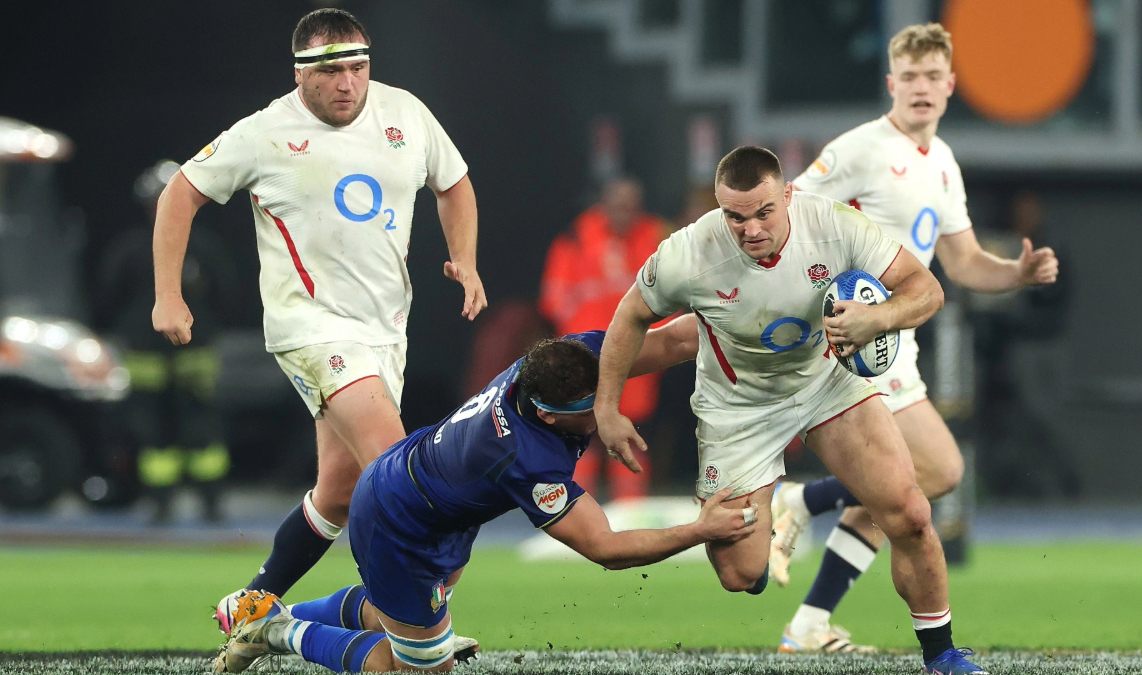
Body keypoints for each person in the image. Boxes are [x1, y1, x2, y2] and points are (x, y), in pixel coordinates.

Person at [150, 7, 487, 630]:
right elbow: (180, 193)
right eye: (332, 72)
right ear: (302, 74)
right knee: (401, 473)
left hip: (386, 332)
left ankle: (251, 608)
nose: (347, 85)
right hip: (313, 329)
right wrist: (167, 294)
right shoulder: (265, 132)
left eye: (358, 69)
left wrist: (463, 259)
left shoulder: (404, 113)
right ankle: (417, 627)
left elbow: (455, 183)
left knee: (337, 492)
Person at [595, 146, 989, 674]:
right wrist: (606, 406)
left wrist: (879, 317)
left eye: (763, 212)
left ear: (787, 195)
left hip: (826, 383)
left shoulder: (833, 224)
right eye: (735, 216)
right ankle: (764, 519)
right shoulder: (689, 252)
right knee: (739, 573)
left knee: (911, 512)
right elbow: (629, 317)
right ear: (718, 208)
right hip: (738, 408)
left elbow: (926, 289)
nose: (750, 228)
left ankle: (942, 655)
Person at [213, 319, 756, 673]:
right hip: (402, 525)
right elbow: (605, 548)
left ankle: (271, 613)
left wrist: (746, 315)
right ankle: (276, 631)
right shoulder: (527, 458)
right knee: (412, 670)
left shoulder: (568, 360)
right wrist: (700, 530)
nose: (609, 402)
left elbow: (672, 340)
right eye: (597, 404)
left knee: (391, 614)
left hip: (430, 500)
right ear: (549, 415)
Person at [768, 23, 1059, 658]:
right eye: (911, 77)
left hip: (899, 340)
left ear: (951, 86)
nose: (922, 88)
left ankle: (809, 614)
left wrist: (1015, 273)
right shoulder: (862, 149)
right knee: (930, 474)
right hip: (857, 340)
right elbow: (788, 213)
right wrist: (827, 300)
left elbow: (961, 262)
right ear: (891, 83)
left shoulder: (944, 161)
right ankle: (803, 510)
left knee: (920, 480)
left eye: (934, 77)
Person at [96, 160, 235, 523]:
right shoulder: (199, 247)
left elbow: (107, 299)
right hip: (163, 355)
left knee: (188, 429)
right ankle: (179, 504)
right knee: (164, 430)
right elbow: (228, 295)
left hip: (180, 354)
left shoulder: (137, 249)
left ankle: (194, 504)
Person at [539, 177, 670, 500]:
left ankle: (629, 516)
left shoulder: (657, 236)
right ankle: (575, 515)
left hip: (637, 358)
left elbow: (673, 294)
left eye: (630, 206)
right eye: (617, 205)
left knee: (631, 434)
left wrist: (660, 338)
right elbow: (553, 298)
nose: (623, 213)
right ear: (603, 205)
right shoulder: (576, 237)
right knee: (582, 436)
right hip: (585, 357)